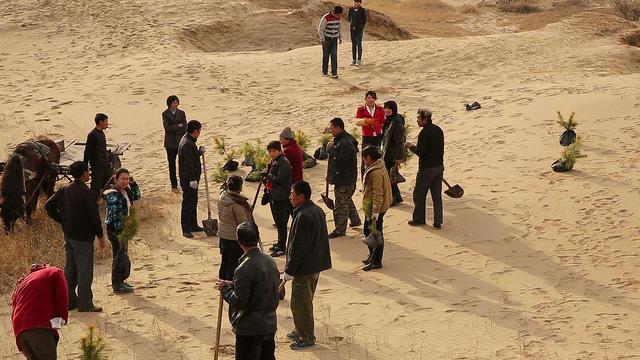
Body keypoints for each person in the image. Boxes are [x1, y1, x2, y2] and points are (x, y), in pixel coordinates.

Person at [45, 161, 105, 312]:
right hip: (83, 238)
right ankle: (85, 304)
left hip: (69, 235)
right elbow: (94, 217)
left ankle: (69, 302)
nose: (89, 173)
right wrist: (101, 236)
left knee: (70, 269)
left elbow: (49, 206)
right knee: (84, 270)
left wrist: (62, 220)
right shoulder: (87, 192)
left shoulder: (64, 189)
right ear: (84, 173)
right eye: (88, 171)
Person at [214, 222, 279, 360]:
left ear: (239, 241)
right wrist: (232, 284)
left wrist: (225, 289)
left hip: (250, 328)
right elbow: (260, 285)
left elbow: (239, 301)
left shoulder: (244, 267)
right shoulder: (270, 261)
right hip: (269, 324)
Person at [283, 181, 332, 350]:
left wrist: (290, 270)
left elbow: (298, 246)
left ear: (301, 197)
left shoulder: (303, 216)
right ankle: (300, 329)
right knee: (304, 299)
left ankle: (306, 337)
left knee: (300, 302)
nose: (290, 197)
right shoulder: (316, 210)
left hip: (304, 267)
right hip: (315, 263)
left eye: (292, 194)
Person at [11, 264, 69, 360]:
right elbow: (62, 298)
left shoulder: (23, 282)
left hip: (20, 329)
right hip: (38, 326)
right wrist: (60, 320)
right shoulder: (54, 272)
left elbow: (14, 307)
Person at [405, 108, 444, 228]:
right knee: (436, 195)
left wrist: (410, 146)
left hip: (427, 169)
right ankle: (438, 221)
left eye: (418, 118)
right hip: (439, 167)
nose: (417, 121)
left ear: (424, 119)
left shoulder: (424, 133)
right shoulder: (438, 130)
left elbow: (421, 152)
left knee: (419, 194)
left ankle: (419, 219)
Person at [104, 168, 141, 294]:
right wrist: (121, 233)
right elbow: (116, 215)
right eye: (122, 179)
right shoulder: (112, 194)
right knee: (118, 257)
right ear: (116, 179)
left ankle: (121, 281)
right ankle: (117, 284)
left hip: (124, 229)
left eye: (127, 179)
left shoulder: (125, 191)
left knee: (122, 255)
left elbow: (137, 196)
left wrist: (133, 183)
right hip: (116, 230)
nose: (125, 181)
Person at [327, 117, 361, 238]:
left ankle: (340, 229)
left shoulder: (345, 142)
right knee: (345, 199)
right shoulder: (339, 139)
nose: (330, 130)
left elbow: (342, 159)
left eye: (331, 128)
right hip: (342, 177)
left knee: (340, 205)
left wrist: (331, 150)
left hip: (345, 178)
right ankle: (355, 219)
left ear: (338, 128)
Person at [361, 146, 392, 271]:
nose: (363, 160)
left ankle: (376, 260)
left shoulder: (376, 173)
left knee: (375, 234)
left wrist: (375, 212)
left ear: (368, 158)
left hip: (376, 208)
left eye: (364, 158)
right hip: (373, 206)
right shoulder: (379, 165)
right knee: (368, 231)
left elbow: (378, 194)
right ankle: (373, 256)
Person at [217, 176, 254, 281]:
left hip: (223, 236)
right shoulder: (237, 204)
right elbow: (243, 224)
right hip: (234, 238)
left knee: (225, 262)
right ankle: (230, 287)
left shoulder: (222, 197)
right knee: (234, 265)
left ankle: (222, 285)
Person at [178, 120, 206, 238]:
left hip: (192, 178)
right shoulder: (187, 143)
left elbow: (192, 157)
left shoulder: (189, 141)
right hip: (189, 179)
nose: (199, 133)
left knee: (193, 201)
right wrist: (192, 179)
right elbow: (188, 164)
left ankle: (193, 225)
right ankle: (186, 229)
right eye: (199, 131)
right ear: (195, 131)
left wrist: (199, 152)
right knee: (188, 203)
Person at [264, 141, 291, 257]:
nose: (271, 153)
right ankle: (280, 243)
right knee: (278, 221)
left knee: (281, 223)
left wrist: (268, 176)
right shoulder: (275, 161)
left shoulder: (283, 162)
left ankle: (281, 247)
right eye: (270, 151)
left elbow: (280, 179)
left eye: (274, 151)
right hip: (274, 194)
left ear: (279, 150)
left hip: (281, 196)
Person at [355, 91, 385, 178]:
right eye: (369, 97)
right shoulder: (361, 109)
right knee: (365, 158)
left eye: (372, 98)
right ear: (365, 99)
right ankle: (365, 180)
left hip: (378, 136)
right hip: (367, 136)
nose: (371, 99)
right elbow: (357, 122)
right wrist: (366, 121)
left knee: (378, 157)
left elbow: (383, 121)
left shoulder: (380, 109)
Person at [382, 100, 405, 205]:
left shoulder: (396, 123)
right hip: (387, 152)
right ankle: (397, 197)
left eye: (389, 108)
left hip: (392, 154)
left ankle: (393, 199)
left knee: (389, 177)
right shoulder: (388, 121)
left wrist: (398, 157)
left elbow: (399, 141)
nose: (386, 110)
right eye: (385, 108)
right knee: (390, 176)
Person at [162, 95, 187, 192]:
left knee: (182, 164)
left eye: (176, 102)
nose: (175, 104)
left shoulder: (181, 113)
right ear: (169, 104)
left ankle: (183, 183)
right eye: (173, 103)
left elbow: (185, 127)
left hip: (180, 142)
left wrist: (175, 127)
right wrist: (178, 126)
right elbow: (167, 128)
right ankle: (174, 185)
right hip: (170, 143)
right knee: (171, 165)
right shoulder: (165, 114)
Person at [83, 113, 111, 200]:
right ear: (100, 122)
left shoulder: (102, 133)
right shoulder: (92, 135)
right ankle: (92, 202)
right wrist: (85, 165)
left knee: (108, 183)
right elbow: (87, 150)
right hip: (97, 165)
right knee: (96, 186)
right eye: (106, 121)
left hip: (104, 164)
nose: (107, 123)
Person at [318, 6, 344, 78]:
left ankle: (334, 72)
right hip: (326, 40)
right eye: (338, 15)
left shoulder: (339, 18)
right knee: (325, 56)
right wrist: (322, 40)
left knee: (334, 56)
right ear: (334, 13)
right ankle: (325, 72)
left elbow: (340, 28)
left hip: (334, 39)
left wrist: (340, 37)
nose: (339, 16)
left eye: (340, 15)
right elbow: (320, 29)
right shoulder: (326, 18)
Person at [347, 0, 367, 66]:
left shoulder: (362, 10)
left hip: (359, 30)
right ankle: (354, 60)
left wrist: (361, 27)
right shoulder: (351, 9)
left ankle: (359, 60)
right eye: (355, 2)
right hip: (352, 29)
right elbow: (349, 18)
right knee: (353, 44)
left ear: (360, 3)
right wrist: (352, 24)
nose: (356, 3)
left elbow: (364, 20)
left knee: (359, 43)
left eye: (358, 2)